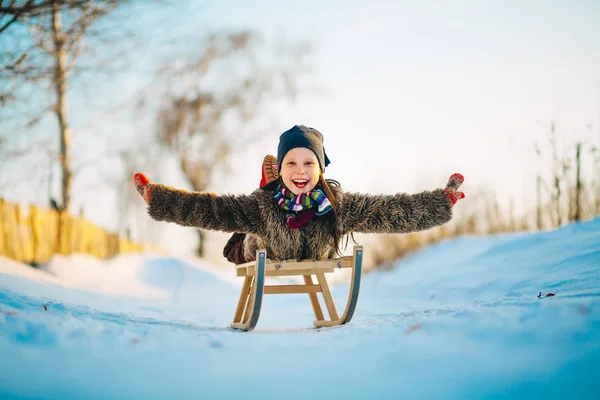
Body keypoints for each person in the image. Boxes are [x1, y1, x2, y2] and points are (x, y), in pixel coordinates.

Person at [133, 125, 465, 263]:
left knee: (373, 212)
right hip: (264, 247)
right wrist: (159, 198)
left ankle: (272, 184)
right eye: (291, 163)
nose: (301, 171)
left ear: (321, 169)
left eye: (309, 163)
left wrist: (440, 201)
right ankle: (268, 187)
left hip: (314, 249)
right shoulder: (261, 208)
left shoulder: (337, 205)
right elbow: (210, 210)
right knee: (239, 239)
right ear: (282, 166)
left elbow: (390, 212)